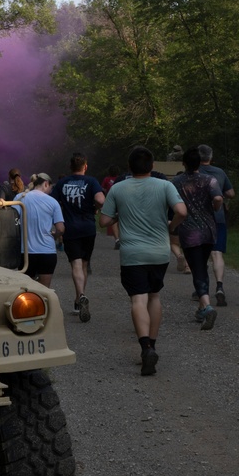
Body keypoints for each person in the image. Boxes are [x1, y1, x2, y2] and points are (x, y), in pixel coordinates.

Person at [99, 147, 186, 376]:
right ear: (152, 166)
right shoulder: (165, 185)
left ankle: (145, 347)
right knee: (154, 296)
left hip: (132, 253)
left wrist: (120, 214)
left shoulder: (118, 188)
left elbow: (104, 220)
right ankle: (154, 346)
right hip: (159, 251)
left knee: (138, 299)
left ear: (129, 167)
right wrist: (172, 225)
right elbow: (182, 211)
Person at [172, 148, 223, 330]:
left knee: (197, 269)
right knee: (202, 266)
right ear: (200, 163)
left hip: (189, 231)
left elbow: (172, 205)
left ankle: (207, 307)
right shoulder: (210, 180)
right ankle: (202, 308)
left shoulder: (176, 182)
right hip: (209, 230)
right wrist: (216, 207)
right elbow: (218, 197)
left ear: (184, 163)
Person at [54, 153, 105, 322]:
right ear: (85, 166)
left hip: (71, 229)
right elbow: (101, 200)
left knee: (75, 263)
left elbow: (52, 202)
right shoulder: (91, 181)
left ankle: (80, 297)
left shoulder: (62, 183)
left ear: (70, 167)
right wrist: (94, 207)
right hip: (88, 228)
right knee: (84, 263)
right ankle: (79, 298)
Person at [197, 144, 235, 306]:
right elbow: (231, 193)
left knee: (200, 255)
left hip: (198, 219)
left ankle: (201, 287)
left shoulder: (193, 172)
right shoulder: (219, 172)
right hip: (218, 218)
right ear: (211, 157)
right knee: (217, 253)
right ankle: (219, 286)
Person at [14, 173, 65, 289]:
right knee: (44, 290)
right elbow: (60, 229)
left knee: (27, 291)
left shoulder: (20, 198)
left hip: (25, 252)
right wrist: (56, 236)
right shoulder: (53, 202)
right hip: (47, 252)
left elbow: (13, 221)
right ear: (46, 184)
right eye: (51, 188)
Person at [101, 165, 121, 249]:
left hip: (111, 201)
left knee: (114, 220)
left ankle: (117, 239)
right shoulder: (120, 179)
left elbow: (103, 189)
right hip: (120, 199)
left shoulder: (106, 179)